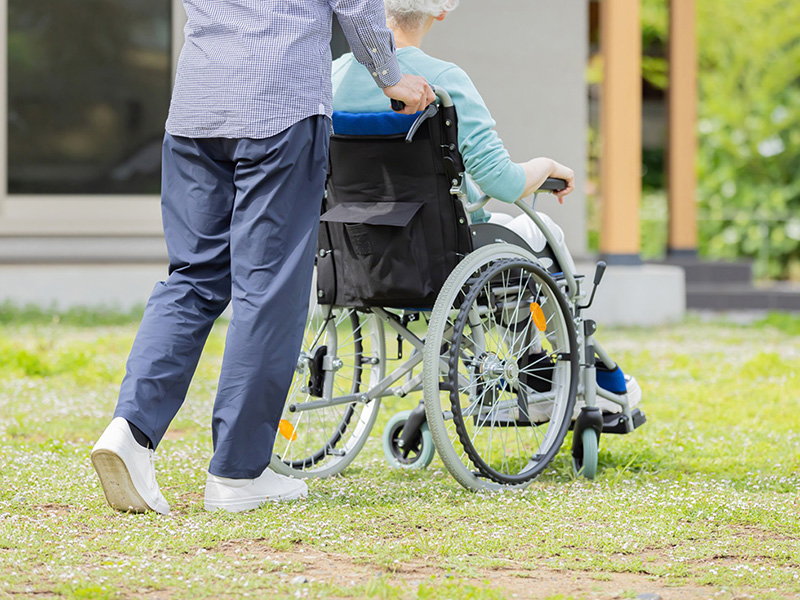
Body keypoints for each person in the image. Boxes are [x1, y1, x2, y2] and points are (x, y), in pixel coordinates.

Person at [90, 0, 435, 515]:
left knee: (191, 278)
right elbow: (358, 5)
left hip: (196, 108)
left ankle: (130, 432)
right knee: (268, 290)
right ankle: (236, 473)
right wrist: (391, 76)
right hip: (279, 106)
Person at [331, 0, 641, 413]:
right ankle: (562, 365)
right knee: (540, 232)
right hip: (442, 254)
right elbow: (504, 182)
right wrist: (546, 165)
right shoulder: (442, 80)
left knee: (506, 248)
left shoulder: (333, 76)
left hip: (358, 252)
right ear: (440, 11)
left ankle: (536, 366)